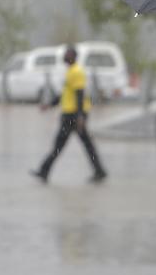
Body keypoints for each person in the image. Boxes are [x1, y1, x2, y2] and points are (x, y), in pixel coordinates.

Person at [30, 45, 108, 183]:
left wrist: (80, 117)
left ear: (73, 56)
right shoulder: (71, 71)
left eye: (67, 54)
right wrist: (49, 105)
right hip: (71, 114)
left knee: (60, 145)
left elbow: (79, 95)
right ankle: (99, 170)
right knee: (86, 145)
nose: (64, 57)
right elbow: (64, 95)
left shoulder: (77, 72)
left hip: (73, 116)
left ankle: (44, 171)